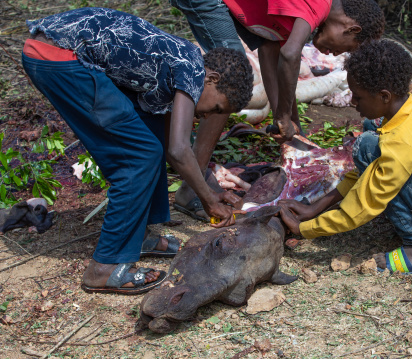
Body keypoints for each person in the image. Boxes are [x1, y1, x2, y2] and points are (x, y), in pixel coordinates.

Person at [22, 7, 253, 294]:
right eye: (217, 107)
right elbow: (180, 149)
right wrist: (208, 200)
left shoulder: (182, 65)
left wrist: (211, 191)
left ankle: (138, 233)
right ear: (213, 78)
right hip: (58, 56)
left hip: (56, 50)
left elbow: (170, 146)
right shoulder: (192, 70)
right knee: (137, 156)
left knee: (150, 138)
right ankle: (104, 267)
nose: (208, 115)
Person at [279, 39, 412, 275]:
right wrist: (315, 207)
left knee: (367, 146)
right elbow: (370, 171)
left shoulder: (402, 139)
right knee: (370, 138)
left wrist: (306, 228)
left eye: (358, 97)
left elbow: (366, 203)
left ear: (384, 96)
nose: (352, 102)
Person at [170, 0, 385, 221]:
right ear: (351, 29)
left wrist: (290, 123)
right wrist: (283, 116)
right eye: (346, 47)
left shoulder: (298, 17)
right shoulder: (318, 4)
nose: (334, 54)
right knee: (229, 78)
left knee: (233, 75)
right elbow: (290, 54)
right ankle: (191, 187)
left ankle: (197, 175)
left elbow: (271, 50)